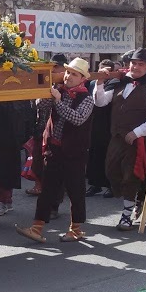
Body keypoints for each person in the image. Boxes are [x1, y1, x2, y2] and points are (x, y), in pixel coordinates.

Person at [16, 57, 94, 244]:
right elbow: (40, 107)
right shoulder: (59, 91)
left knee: (76, 191)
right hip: (53, 150)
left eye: (74, 74)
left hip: (75, 153)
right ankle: (36, 228)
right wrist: (45, 93)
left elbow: (77, 118)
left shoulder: (87, 98)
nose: (68, 76)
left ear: (82, 78)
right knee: (47, 190)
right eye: (67, 72)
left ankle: (75, 229)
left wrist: (58, 102)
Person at [93, 48, 146, 231]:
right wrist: (100, 82)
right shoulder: (120, 82)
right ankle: (136, 198)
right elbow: (100, 102)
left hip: (139, 140)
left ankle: (126, 216)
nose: (136, 67)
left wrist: (137, 132)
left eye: (141, 64)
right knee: (111, 171)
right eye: (134, 63)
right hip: (117, 137)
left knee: (131, 176)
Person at [25, 53, 68, 210]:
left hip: (56, 133)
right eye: (52, 66)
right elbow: (37, 106)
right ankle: (46, 198)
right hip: (40, 130)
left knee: (53, 171)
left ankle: (54, 204)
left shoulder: (66, 88)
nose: (54, 69)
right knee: (38, 166)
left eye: (57, 66)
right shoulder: (45, 82)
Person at [86, 60, 115, 197]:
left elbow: (102, 102)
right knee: (94, 154)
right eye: (101, 70)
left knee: (108, 155)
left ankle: (111, 185)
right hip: (94, 122)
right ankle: (95, 184)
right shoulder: (92, 83)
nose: (103, 73)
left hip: (109, 123)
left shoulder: (114, 83)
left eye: (106, 70)